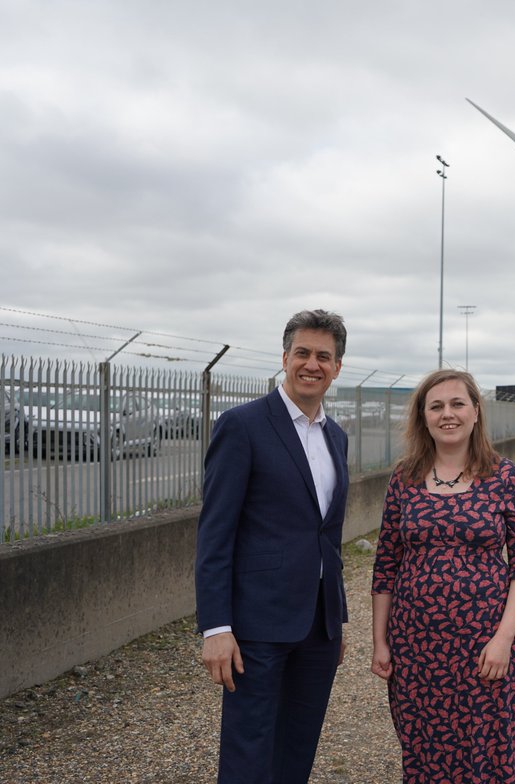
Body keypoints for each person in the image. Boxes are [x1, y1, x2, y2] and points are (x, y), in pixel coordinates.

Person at [195, 308, 350, 783]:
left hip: (318, 627)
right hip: (257, 625)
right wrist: (215, 626)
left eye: (324, 356)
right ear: (285, 358)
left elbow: (328, 536)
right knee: (249, 752)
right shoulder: (242, 426)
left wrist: (336, 618)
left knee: (297, 749)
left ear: (337, 367)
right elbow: (215, 534)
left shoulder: (336, 437)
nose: (312, 364)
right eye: (302, 352)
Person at [371, 369, 515, 783]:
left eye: (458, 403)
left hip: (484, 649)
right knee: (424, 757)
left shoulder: (505, 477)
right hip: (417, 650)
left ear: (476, 412)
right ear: (423, 416)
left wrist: (503, 640)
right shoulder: (404, 478)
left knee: (487, 756)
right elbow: (385, 566)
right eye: (437, 406)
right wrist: (379, 641)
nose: (448, 414)